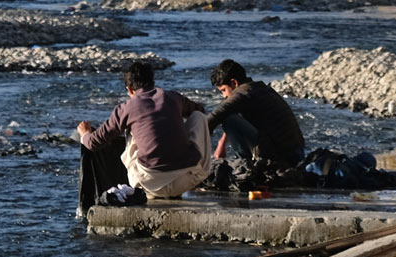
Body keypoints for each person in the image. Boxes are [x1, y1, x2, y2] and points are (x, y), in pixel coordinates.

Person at [76, 62, 210, 211]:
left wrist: (85, 134)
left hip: (148, 185)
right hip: (186, 180)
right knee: (198, 117)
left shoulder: (126, 108)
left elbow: (94, 143)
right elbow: (199, 109)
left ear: (129, 89)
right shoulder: (173, 97)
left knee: (132, 132)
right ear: (153, 83)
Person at [206, 59, 305, 169]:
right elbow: (232, 111)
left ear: (234, 82)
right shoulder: (258, 88)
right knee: (230, 116)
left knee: (229, 119)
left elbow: (214, 117)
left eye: (223, 90)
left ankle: (244, 164)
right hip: (297, 153)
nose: (224, 96)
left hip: (285, 157)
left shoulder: (243, 94)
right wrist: (222, 143)